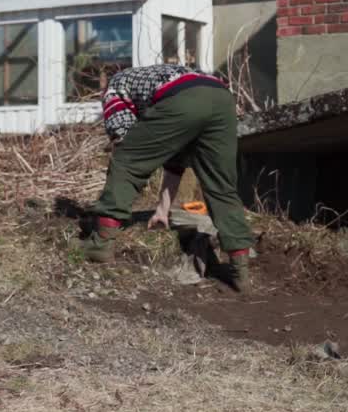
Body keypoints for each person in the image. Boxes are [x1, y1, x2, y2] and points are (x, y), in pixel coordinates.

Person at [83, 63, 255, 291]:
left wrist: (127, 161)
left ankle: (101, 243)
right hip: (221, 97)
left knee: (127, 159)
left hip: (185, 97)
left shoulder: (115, 86)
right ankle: (240, 272)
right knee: (221, 185)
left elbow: (121, 138)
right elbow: (175, 163)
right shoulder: (158, 78)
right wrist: (162, 211)